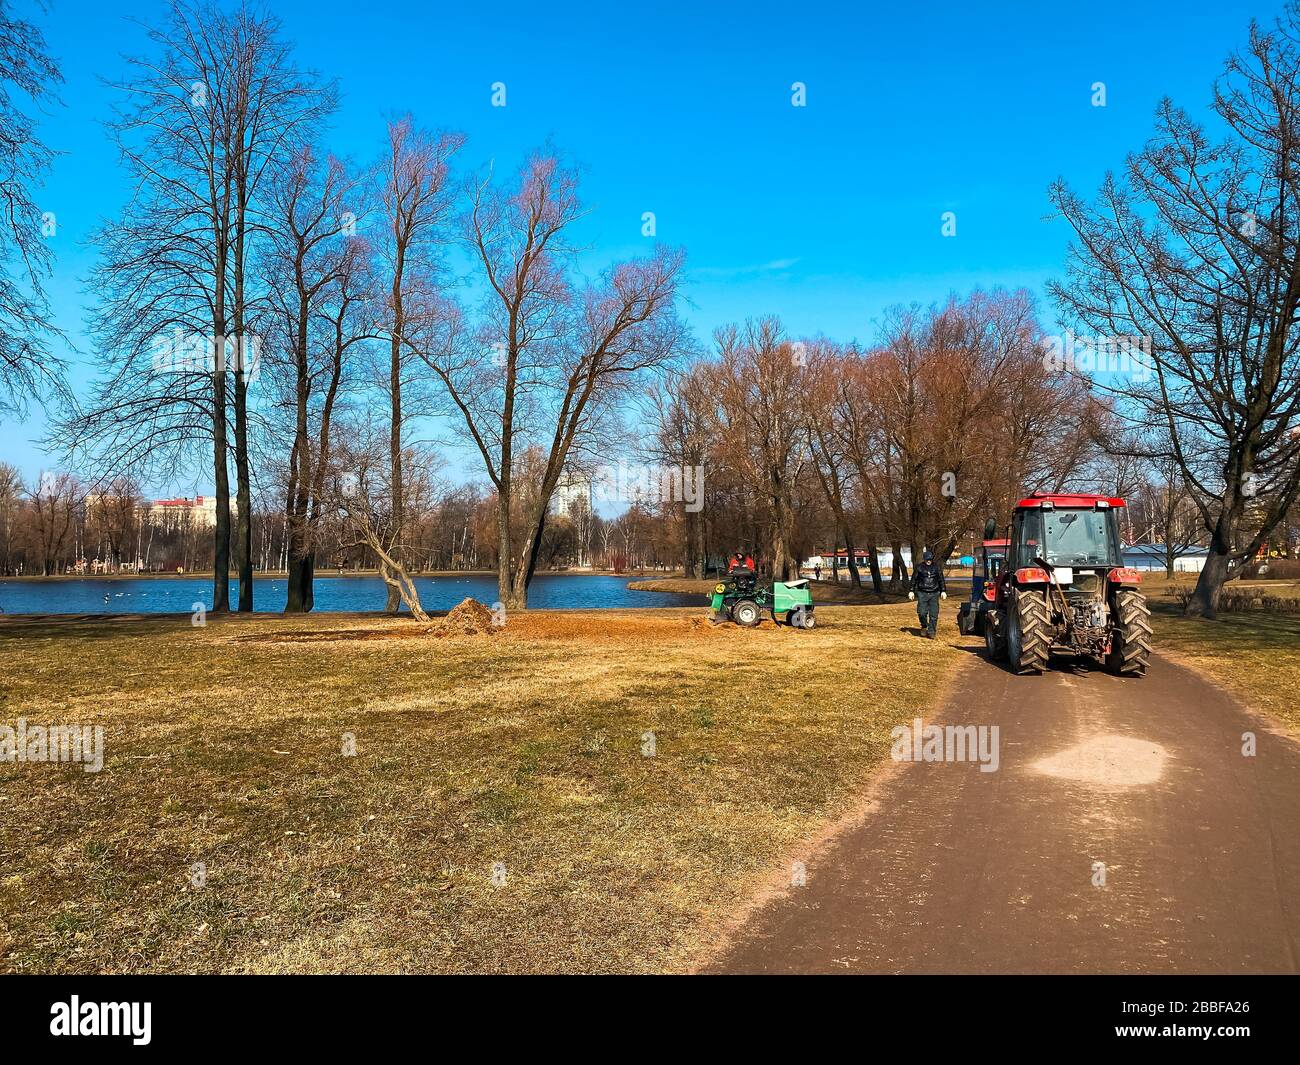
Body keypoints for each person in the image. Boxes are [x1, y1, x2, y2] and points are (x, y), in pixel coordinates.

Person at [908, 548, 947, 639]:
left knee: (934, 614)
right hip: (922, 593)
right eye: (927, 559)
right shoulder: (919, 567)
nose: (928, 561)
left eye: (930, 559)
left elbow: (941, 579)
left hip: (934, 593)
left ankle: (932, 631)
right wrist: (911, 590)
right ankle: (924, 626)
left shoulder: (936, 567)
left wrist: (943, 591)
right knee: (922, 612)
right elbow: (914, 579)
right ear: (924, 559)